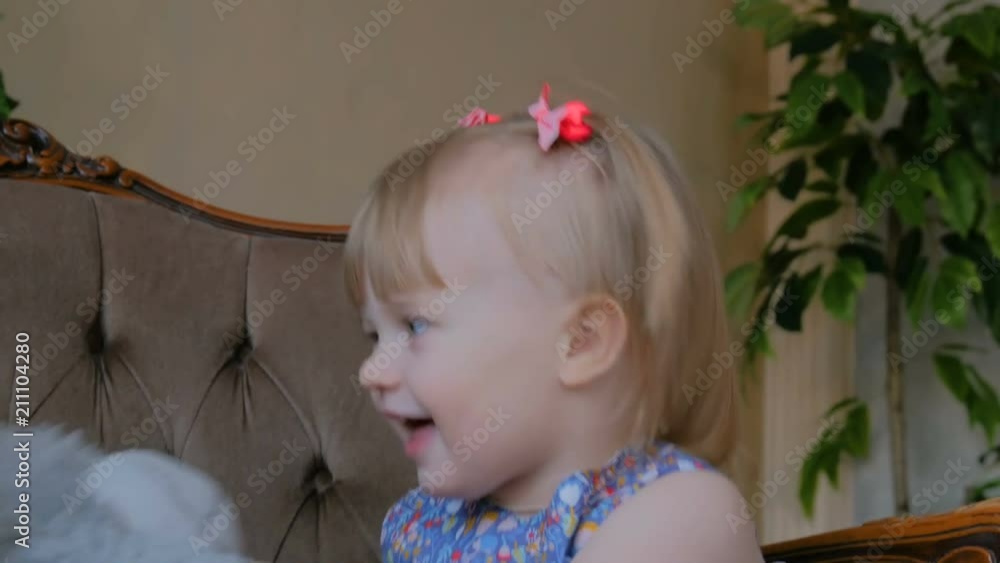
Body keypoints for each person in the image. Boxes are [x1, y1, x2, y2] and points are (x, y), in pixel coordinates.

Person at [344, 84, 762, 562]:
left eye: (415, 327)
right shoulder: (419, 522)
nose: (371, 371)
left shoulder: (683, 514)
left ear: (581, 342)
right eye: (374, 335)